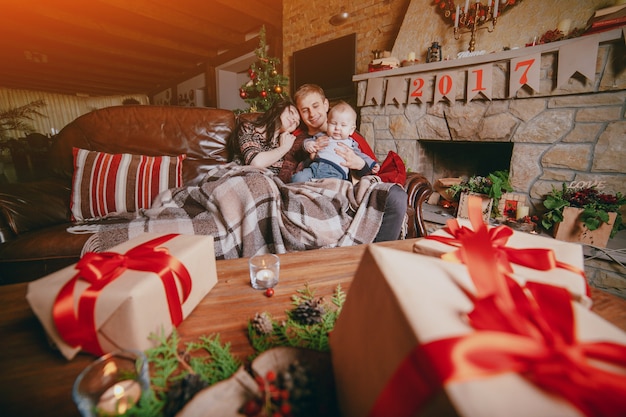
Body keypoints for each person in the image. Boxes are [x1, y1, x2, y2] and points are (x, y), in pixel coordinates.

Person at [290, 84, 408, 242]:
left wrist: (360, 165)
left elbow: (372, 172)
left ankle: (375, 253)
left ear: (326, 104)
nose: (311, 113)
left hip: (341, 182)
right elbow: (287, 174)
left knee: (393, 196)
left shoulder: (351, 139)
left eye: (315, 106)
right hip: (311, 183)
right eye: (304, 110)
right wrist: (309, 156)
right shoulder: (297, 138)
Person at [291, 100, 380, 182]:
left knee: (333, 189)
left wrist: (372, 164)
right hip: (314, 167)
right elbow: (308, 141)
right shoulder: (322, 136)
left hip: (335, 172)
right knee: (297, 178)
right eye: (333, 123)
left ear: (351, 130)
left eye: (343, 125)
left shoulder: (351, 143)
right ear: (328, 123)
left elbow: (361, 156)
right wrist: (308, 144)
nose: (337, 128)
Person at [234, 97, 301, 173]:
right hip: (243, 177)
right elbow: (255, 164)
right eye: (292, 112)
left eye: (297, 123)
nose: (294, 120)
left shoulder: (286, 141)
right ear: (279, 109)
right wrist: (284, 148)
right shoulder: (248, 128)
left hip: (269, 182)